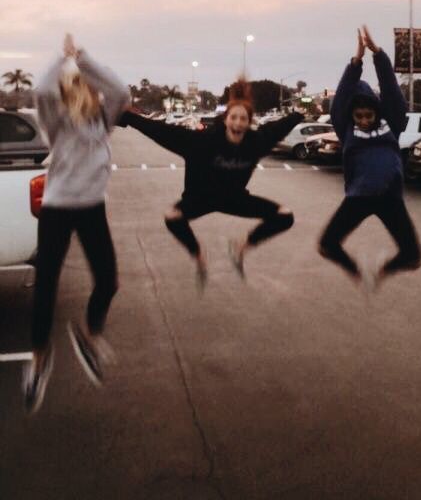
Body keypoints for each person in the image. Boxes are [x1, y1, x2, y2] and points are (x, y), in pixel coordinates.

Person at [23, 34, 129, 414]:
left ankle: (89, 333)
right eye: (74, 89)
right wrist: (61, 57)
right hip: (57, 210)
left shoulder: (103, 120)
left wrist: (82, 59)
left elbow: (121, 92)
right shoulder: (57, 122)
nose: (86, 95)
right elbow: (40, 89)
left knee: (109, 281)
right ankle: (38, 360)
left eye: (86, 89)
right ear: (67, 95)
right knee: (47, 286)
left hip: (92, 209)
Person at [119, 81, 303, 288]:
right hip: (200, 198)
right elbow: (161, 130)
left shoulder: (256, 142)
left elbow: (278, 128)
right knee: (172, 216)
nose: (238, 123)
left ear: (249, 123)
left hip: (236, 198)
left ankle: (242, 245)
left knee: (285, 216)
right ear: (226, 121)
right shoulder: (202, 142)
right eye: (234, 118)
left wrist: (298, 115)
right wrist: (128, 118)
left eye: (243, 119)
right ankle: (197, 253)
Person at [318, 26, 421, 288]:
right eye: (359, 116)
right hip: (359, 197)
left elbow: (391, 91)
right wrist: (356, 61)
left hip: (390, 197)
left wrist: (379, 55)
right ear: (352, 116)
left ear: (376, 111)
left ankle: (386, 270)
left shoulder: (392, 122)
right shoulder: (347, 128)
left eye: (369, 115)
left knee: (413, 255)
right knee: (327, 244)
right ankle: (353, 268)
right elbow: (341, 98)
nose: (364, 120)